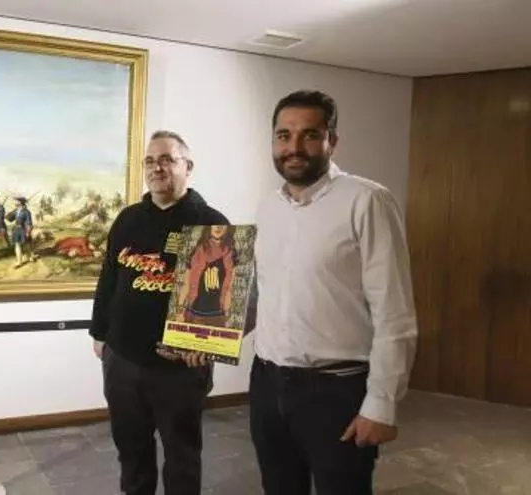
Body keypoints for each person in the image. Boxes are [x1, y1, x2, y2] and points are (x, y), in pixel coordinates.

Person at [249, 89, 418, 495]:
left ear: (332, 141)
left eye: (309, 135)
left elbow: (394, 313)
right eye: (283, 135)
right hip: (267, 384)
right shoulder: (268, 208)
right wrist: (204, 335)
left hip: (336, 392)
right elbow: (264, 293)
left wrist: (381, 404)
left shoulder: (367, 201)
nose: (293, 147)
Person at [89, 130, 229, 495]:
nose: (157, 167)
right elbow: (108, 278)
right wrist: (99, 333)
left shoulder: (211, 223)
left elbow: (221, 299)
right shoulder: (128, 219)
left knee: (182, 455)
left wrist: (207, 344)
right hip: (122, 359)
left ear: (188, 166)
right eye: (150, 161)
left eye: (167, 159)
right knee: (131, 451)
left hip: (179, 367)